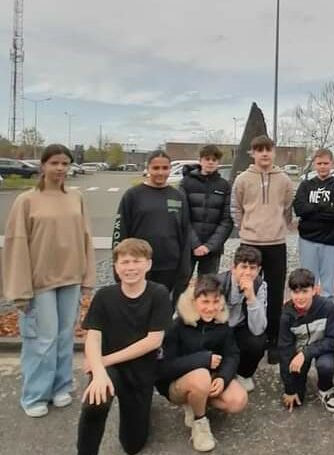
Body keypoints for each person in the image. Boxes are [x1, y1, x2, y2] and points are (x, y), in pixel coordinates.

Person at [61, 238, 172, 455]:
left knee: (133, 445)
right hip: (110, 372)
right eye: (124, 262)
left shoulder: (158, 294)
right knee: (95, 400)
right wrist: (99, 372)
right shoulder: (105, 296)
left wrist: (104, 361)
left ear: (148, 264)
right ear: (115, 266)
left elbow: (153, 341)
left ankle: (143, 412)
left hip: (141, 372)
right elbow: (93, 337)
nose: (130, 267)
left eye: (136, 261)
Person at [1, 143, 95, 418]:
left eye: (65, 163)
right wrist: (20, 290)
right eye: (54, 163)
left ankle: (61, 387)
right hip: (39, 283)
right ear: (42, 165)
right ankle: (35, 395)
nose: (60, 168)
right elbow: (17, 244)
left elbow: (86, 238)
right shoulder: (26, 200)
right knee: (42, 340)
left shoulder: (76, 197)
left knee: (65, 336)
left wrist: (87, 278)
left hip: (71, 279)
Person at [156, 276, 248, 452]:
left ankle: (197, 401)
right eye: (205, 301)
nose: (210, 308)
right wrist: (203, 359)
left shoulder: (222, 324)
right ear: (193, 301)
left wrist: (223, 377)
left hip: (209, 376)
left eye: (215, 302)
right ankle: (200, 422)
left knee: (238, 400)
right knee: (201, 376)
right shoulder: (176, 326)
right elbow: (164, 368)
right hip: (177, 383)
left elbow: (232, 355)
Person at [231, 135, 294, 364]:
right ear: (253, 153)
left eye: (268, 149)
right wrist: (246, 230)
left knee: (276, 293)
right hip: (250, 243)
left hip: (276, 243)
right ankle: (249, 336)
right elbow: (236, 209)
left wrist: (278, 227)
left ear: (273, 152)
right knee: (248, 289)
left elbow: (287, 208)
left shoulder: (285, 180)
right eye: (259, 150)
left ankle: (273, 340)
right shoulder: (243, 179)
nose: (264, 154)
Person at [113, 149, 191, 301]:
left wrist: (184, 268)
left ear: (170, 169)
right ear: (147, 168)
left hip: (169, 266)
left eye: (165, 168)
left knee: (161, 308)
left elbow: (185, 233)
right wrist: (118, 265)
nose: (160, 172)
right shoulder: (133, 195)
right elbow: (120, 232)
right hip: (138, 265)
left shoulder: (178, 196)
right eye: (155, 168)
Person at [278, 268, 334, 414]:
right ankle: (299, 382)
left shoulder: (327, 307)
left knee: (326, 366)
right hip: (298, 352)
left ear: (314, 290)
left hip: (321, 347)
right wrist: (289, 389)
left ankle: (326, 388)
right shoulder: (287, 315)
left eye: (305, 291)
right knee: (296, 399)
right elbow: (285, 352)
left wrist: (306, 353)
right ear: (290, 293)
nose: (300, 297)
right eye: (296, 292)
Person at [293, 148, 334, 301]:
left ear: (332, 164)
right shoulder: (306, 185)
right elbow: (299, 209)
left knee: (329, 289)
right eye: (319, 163)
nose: (322, 166)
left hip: (332, 242)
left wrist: (312, 209)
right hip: (308, 240)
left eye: (326, 163)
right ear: (314, 164)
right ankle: (309, 320)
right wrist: (323, 206)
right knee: (307, 284)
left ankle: (329, 321)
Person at [216, 245, 268, 393]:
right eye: (243, 267)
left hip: (240, 327)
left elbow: (258, 328)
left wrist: (251, 297)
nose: (247, 272)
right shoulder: (217, 283)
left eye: (252, 268)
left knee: (259, 341)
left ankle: (243, 374)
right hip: (219, 327)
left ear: (258, 270)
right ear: (233, 268)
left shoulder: (260, 285)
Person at [179, 144, 233, 276]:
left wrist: (209, 246)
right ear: (200, 160)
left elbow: (226, 220)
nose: (210, 162)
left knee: (208, 289)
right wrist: (195, 244)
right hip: (188, 247)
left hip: (212, 250)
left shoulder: (224, 186)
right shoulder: (186, 183)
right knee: (181, 286)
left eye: (214, 160)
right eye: (207, 159)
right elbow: (181, 216)